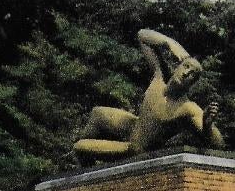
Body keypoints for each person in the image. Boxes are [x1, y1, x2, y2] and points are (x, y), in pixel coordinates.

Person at [74, 29, 224, 161]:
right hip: (133, 126)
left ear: (193, 83)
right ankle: (87, 168)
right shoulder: (160, 76)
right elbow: (142, 36)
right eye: (186, 67)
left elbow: (219, 144)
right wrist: (169, 42)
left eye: (192, 75)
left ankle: (91, 177)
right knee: (97, 113)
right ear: (177, 67)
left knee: (79, 147)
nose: (186, 73)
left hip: (135, 149)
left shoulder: (187, 108)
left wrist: (207, 126)